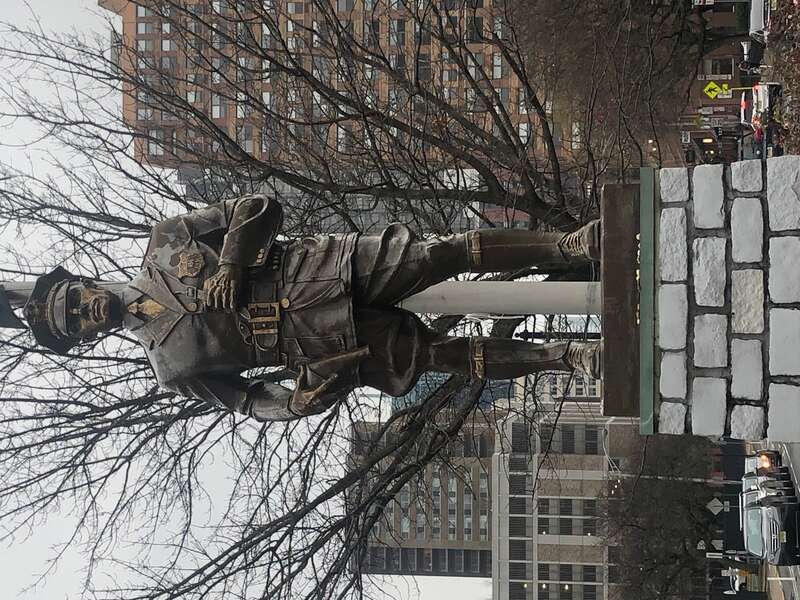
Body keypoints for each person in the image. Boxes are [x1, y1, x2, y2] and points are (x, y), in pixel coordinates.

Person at [14, 194, 602, 421]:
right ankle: (566, 357)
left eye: (72, 301)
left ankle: (567, 245)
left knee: (441, 253)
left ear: (83, 280)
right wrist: (296, 401)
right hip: (322, 345)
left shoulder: (168, 241)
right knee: (442, 355)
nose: (81, 313)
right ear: (83, 341)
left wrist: (232, 264)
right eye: (72, 324)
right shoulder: (174, 370)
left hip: (321, 270)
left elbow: (261, 206)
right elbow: (246, 400)